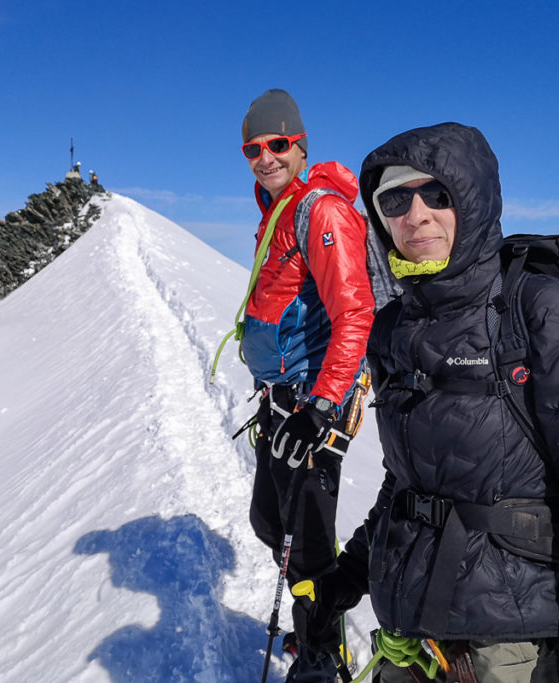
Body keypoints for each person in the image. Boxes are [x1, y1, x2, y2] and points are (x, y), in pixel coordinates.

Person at [301, 123, 559, 683]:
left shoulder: (540, 311)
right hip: (407, 628)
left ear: (473, 198)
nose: (416, 214)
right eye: (394, 199)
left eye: (436, 194)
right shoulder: (393, 327)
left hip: (504, 645)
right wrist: (347, 578)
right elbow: (407, 484)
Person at [237, 88, 375, 682]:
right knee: (271, 523)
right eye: (252, 148)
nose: (264, 157)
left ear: (299, 144)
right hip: (281, 402)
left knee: (308, 541)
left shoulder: (321, 211)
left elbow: (355, 314)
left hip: (314, 407)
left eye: (276, 144)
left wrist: (319, 408)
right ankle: (313, 612)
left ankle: (322, 655)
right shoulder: (278, 208)